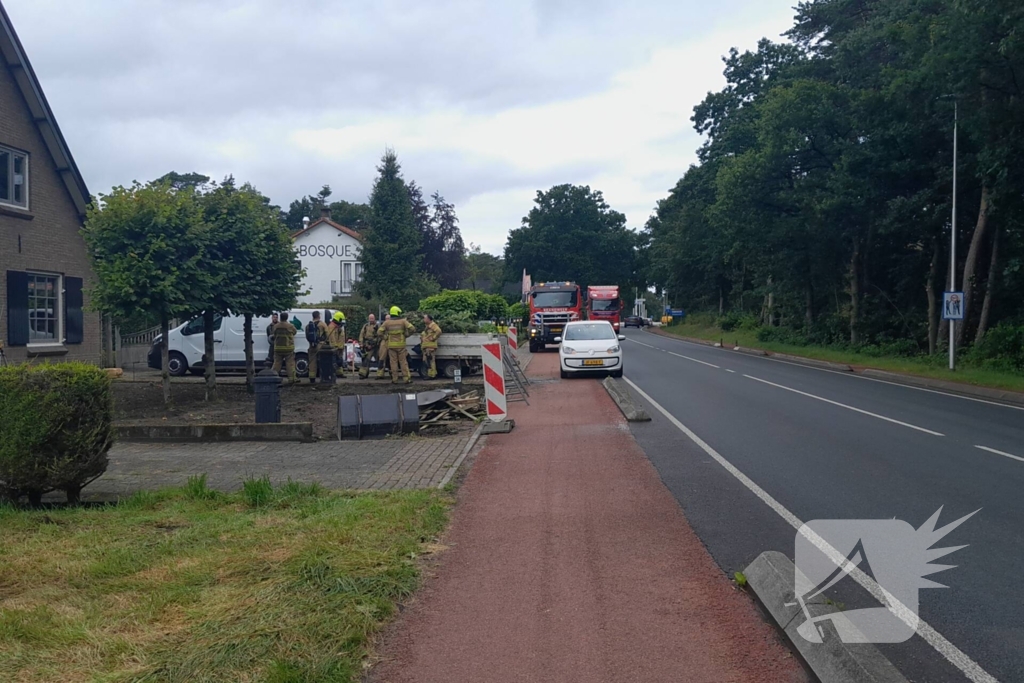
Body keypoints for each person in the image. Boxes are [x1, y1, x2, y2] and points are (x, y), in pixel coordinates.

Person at [381, 306, 415, 384]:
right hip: (401, 345)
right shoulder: (403, 321)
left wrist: (385, 337)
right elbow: (412, 328)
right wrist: (406, 335)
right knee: (403, 362)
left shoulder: (387, 322)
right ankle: (406, 379)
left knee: (393, 362)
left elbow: (379, 332)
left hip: (391, 345)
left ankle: (394, 379)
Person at [271, 311, 297, 384]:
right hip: (288, 348)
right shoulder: (290, 326)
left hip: (278, 348)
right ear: (287, 318)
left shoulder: (275, 326)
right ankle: (291, 379)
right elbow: (295, 332)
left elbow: (273, 334)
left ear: (280, 317)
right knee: (290, 364)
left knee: (277, 363)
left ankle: (273, 378)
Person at [305, 311, 330, 383]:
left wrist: (311, 343)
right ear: (319, 316)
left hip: (311, 346)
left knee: (312, 362)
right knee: (323, 361)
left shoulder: (308, 325)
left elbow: (307, 336)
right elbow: (327, 335)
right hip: (321, 345)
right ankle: (324, 377)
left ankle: (312, 378)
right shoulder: (322, 324)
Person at [420, 313, 442, 379]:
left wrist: (433, 338)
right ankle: (431, 374)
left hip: (430, 347)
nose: (423, 319)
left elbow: (439, 331)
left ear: (429, 319)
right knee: (428, 361)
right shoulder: (427, 326)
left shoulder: (432, 325)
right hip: (426, 346)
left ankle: (431, 375)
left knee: (429, 361)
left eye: (424, 318)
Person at [358, 313, 379, 379]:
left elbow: (380, 336)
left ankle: (380, 374)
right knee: (366, 360)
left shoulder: (378, 326)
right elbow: (361, 335)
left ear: (374, 318)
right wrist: (361, 344)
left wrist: (374, 343)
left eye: (372, 318)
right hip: (367, 346)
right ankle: (363, 374)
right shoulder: (365, 326)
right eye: (370, 318)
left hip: (376, 346)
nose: (371, 319)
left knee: (380, 359)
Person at [327, 311, 347, 376]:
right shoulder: (331, 327)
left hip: (340, 347)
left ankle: (340, 373)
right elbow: (332, 338)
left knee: (339, 361)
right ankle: (333, 374)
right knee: (335, 361)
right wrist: (335, 347)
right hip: (335, 348)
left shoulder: (338, 327)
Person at [376, 313, 392, 380]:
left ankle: (392, 374)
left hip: (391, 342)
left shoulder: (393, 325)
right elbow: (379, 333)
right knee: (382, 358)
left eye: (389, 318)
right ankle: (380, 374)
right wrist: (385, 337)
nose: (387, 320)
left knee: (392, 359)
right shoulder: (383, 325)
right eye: (386, 319)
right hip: (384, 342)